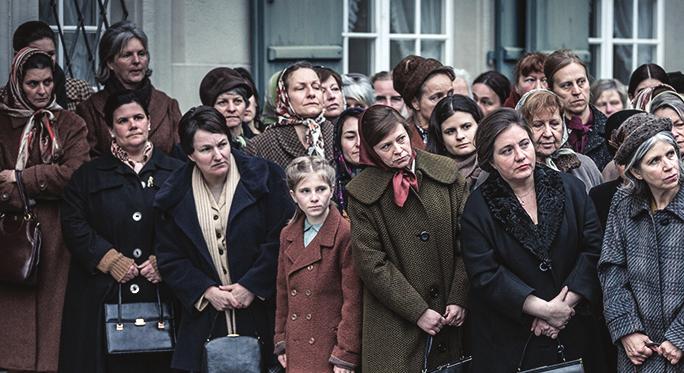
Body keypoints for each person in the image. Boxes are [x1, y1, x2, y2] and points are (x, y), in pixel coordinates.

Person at [460, 108, 606, 372]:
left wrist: (562, 307)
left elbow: (593, 249)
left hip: (573, 327)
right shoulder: (477, 207)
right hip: (511, 338)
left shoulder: (570, 188)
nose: (520, 156)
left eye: (524, 144)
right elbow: (485, 273)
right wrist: (541, 309)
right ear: (490, 161)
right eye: (506, 151)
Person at [154, 106, 294, 372]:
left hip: (262, 311)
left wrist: (251, 285)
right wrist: (206, 291)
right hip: (204, 317)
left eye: (222, 144)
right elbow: (170, 256)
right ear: (190, 154)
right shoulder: (173, 194)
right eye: (206, 150)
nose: (218, 155)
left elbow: (281, 237)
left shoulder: (266, 176)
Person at [59, 93, 181, 373]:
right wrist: (110, 260)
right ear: (111, 130)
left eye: (138, 118)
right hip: (104, 291)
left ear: (149, 122)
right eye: (123, 121)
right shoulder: (89, 175)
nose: (133, 125)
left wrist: (164, 260)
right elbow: (74, 223)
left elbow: (189, 224)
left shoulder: (176, 172)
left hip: (164, 290)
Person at [345, 105, 469, 371]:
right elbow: (371, 263)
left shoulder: (446, 172)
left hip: (452, 314)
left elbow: (468, 240)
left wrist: (459, 296)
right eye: (385, 146)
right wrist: (417, 311)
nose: (398, 150)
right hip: (396, 323)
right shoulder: (362, 195)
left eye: (401, 139)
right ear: (371, 151)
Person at [0, 48, 89, 372]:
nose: (41, 91)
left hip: (58, 237)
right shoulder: (3, 121)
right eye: (32, 83)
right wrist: (33, 189)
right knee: (13, 318)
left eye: (47, 82)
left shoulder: (70, 123)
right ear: (18, 84)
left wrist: (22, 177)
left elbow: (77, 175)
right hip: (11, 232)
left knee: (54, 320)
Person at [599, 113, 684, 372]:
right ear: (636, 171)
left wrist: (680, 334)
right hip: (640, 353)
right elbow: (611, 269)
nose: (669, 165)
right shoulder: (623, 204)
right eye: (654, 161)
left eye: (671, 154)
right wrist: (627, 330)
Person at [274, 156, 362, 373]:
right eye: (305, 191)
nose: (314, 198)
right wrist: (281, 340)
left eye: (321, 189)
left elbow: (353, 299)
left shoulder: (345, 233)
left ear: (332, 190)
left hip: (329, 343)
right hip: (296, 342)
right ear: (293, 196)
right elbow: (283, 291)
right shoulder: (288, 234)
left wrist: (345, 353)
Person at [77, 21, 181, 158]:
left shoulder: (168, 106)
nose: (136, 60)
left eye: (142, 53)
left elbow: (183, 160)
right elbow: (87, 165)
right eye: (127, 55)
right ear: (110, 63)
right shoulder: (90, 110)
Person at [246, 61, 334, 170]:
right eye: (300, 88)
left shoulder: (338, 134)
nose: (311, 93)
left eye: (316, 87)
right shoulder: (260, 145)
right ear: (284, 96)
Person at [517, 89, 603, 192]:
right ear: (522, 128)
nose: (548, 133)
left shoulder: (584, 166)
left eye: (554, 124)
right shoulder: (519, 171)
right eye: (538, 125)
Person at [545, 49, 612, 171]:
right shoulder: (547, 135)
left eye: (581, 82)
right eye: (566, 85)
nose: (576, 91)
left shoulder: (610, 131)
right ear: (551, 90)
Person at [3, 20, 93, 111]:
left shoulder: (79, 91)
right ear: (18, 56)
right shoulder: (3, 99)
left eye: (51, 54)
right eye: (36, 53)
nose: (45, 59)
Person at [393, 55, 455, 147]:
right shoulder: (403, 142)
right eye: (436, 97)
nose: (448, 102)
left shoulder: (464, 130)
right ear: (415, 103)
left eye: (450, 94)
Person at [427, 94, 483, 187]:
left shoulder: (497, 166)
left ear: (479, 125)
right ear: (440, 137)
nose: (460, 136)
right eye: (450, 131)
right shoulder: (430, 176)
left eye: (466, 127)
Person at [199, 67, 255, 150]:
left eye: (237, 101)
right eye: (223, 102)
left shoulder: (261, 145)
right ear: (210, 109)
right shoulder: (195, 147)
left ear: (246, 104)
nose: (231, 109)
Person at [333, 107, 365, 216]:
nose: (359, 143)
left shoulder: (390, 179)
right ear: (338, 143)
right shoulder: (330, 186)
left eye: (364, 135)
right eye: (350, 137)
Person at [235, 67, 264, 135]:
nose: (245, 104)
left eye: (247, 95)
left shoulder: (269, 133)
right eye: (237, 99)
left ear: (255, 101)